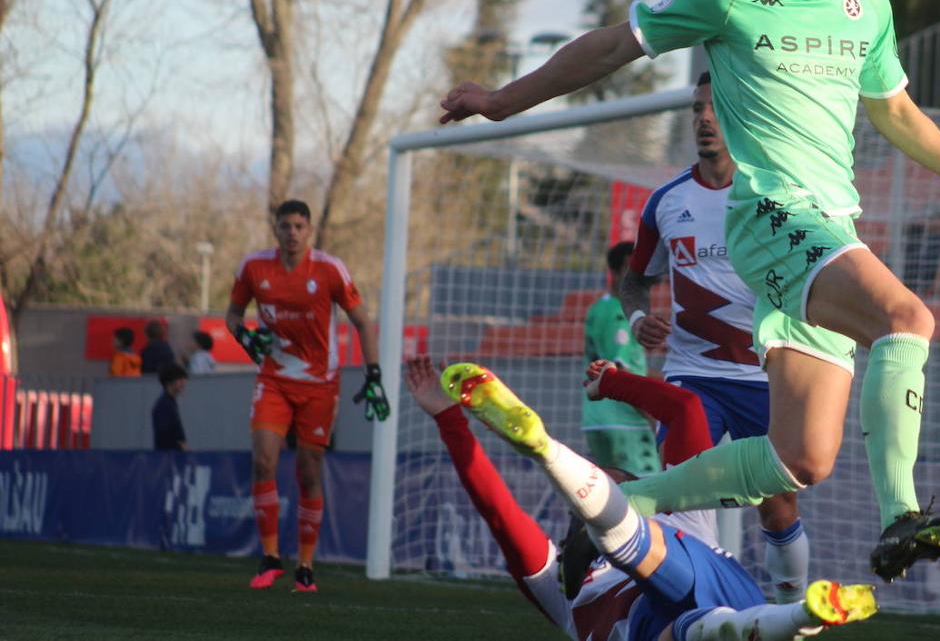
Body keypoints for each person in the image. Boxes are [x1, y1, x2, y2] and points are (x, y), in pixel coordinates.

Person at [440, 0, 940, 581]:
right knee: (905, 318)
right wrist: (500, 100)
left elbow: (894, 111)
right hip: (771, 216)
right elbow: (612, 47)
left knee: (801, 459)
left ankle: (620, 506)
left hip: (832, 229)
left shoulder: (869, 4)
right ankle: (901, 516)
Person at [407, 355, 877, 640]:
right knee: (695, 620)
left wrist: (611, 382)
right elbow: (498, 510)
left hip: (692, 603)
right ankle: (797, 618)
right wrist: (610, 383)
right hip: (726, 600)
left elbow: (686, 407)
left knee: (671, 599)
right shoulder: (565, 577)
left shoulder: (561, 587)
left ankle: (550, 454)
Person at [620, 71, 808, 602]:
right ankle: (696, 611)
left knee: (777, 506)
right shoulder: (666, 201)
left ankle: (792, 612)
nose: (704, 118)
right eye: (697, 108)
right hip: (691, 376)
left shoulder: (773, 196)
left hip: (762, 376)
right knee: (684, 500)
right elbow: (634, 280)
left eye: (716, 108)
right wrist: (639, 322)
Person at [225, 199, 389, 592]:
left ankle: (306, 566)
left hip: (320, 383)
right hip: (274, 379)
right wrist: (244, 335)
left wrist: (374, 376)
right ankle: (269, 557)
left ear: (309, 230)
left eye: (300, 226)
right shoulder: (254, 267)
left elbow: (363, 322)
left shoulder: (330, 269)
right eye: (286, 226)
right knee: (263, 461)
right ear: (276, 229)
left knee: (309, 470)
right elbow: (232, 316)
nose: (293, 233)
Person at [582, 241, 660, 477]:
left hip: (596, 418)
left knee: (613, 498)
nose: (638, 274)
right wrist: (654, 414)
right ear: (615, 273)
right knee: (644, 497)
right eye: (630, 267)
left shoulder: (599, 308)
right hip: (625, 422)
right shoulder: (620, 314)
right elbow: (621, 374)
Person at [152, 363, 189, 451]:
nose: (184, 383)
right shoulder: (165, 406)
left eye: (184, 379)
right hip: (169, 457)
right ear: (169, 383)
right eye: (180, 379)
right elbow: (171, 437)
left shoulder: (169, 403)